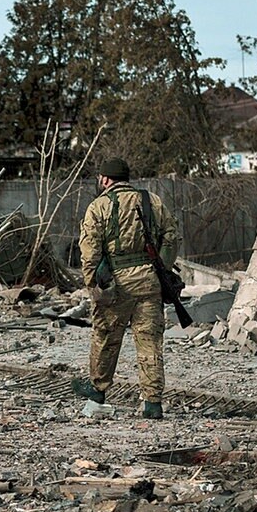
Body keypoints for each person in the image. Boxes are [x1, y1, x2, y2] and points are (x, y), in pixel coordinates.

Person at [73, 157, 180, 419]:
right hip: (149, 281)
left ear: (106, 179)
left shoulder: (98, 207)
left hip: (116, 285)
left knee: (106, 337)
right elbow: (172, 236)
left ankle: (98, 390)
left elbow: (89, 253)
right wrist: (161, 268)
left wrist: (93, 286)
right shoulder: (152, 201)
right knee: (150, 342)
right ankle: (153, 403)